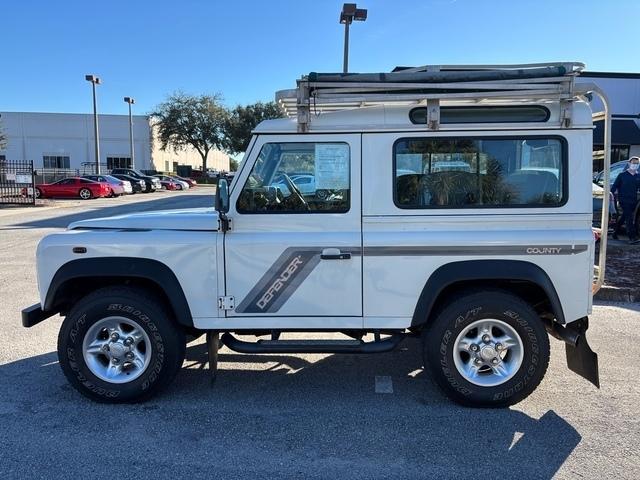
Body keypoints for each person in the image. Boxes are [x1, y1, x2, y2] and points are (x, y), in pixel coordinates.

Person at [612, 156, 640, 244]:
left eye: (636, 163)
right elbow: (614, 187)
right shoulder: (622, 175)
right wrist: (612, 195)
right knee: (629, 218)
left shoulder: (638, 176)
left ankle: (615, 232)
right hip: (623, 200)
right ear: (629, 163)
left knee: (624, 217)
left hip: (633, 200)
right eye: (633, 163)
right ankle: (632, 237)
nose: (634, 165)